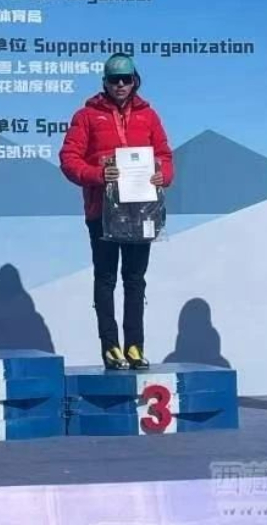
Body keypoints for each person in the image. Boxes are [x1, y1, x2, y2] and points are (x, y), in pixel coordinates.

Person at [59, 53, 173, 371]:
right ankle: (110, 347)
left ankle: (135, 346)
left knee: (135, 279)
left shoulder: (148, 115)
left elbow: (164, 155)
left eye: (126, 79)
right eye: (114, 80)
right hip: (102, 211)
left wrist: (163, 175)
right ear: (104, 82)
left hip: (141, 210)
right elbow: (69, 159)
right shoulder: (86, 115)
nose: (120, 85)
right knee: (106, 278)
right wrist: (97, 174)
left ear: (135, 80)